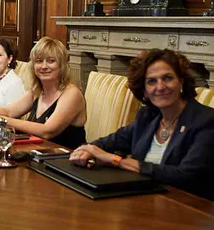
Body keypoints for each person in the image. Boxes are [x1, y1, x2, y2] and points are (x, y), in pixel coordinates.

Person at [70, 49, 214, 200]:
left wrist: (116, 161)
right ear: (144, 90)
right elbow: (109, 142)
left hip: (190, 209)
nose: (160, 87)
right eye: (151, 81)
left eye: (167, 78)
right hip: (143, 200)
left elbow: (185, 176)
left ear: (181, 82)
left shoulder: (206, 121)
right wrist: (88, 152)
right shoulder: (147, 116)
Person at [0, 37, 86, 150]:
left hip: (66, 161)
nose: (44, 66)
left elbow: (47, 131)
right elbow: (8, 111)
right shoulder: (36, 91)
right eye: (39, 61)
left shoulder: (72, 93)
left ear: (62, 65)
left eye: (51, 61)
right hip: (37, 154)